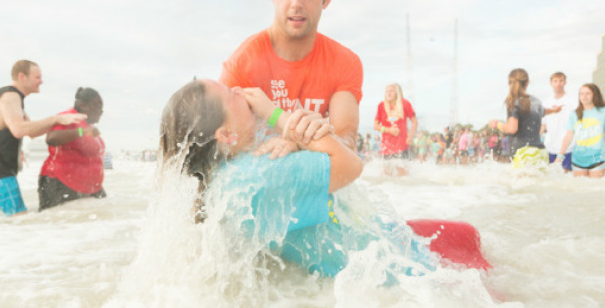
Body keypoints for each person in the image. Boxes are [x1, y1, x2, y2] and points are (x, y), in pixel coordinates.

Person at [159, 79, 437, 278]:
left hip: (353, 271)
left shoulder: (223, 184)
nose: (242, 92)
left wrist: (293, 143)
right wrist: (277, 116)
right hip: (397, 273)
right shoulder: (263, 173)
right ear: (226, 135)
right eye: (233, 96)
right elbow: (350, 165)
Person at [220, 0, 363, 157]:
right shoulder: (242, 64)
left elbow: (346, 145)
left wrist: (296, 144)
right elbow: (221, 147)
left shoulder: (344, 62)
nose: (296, 3)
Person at [0, 60, 85, 216]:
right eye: (37, 77)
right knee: (18, 218)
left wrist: (63, 122)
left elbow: (32, 132)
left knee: (0, 216)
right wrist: (55, 119)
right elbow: (18, 129)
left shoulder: (12, 98)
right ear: (22, 76)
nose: (41, 81)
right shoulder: (10, 96)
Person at [38, 87, 107, 211]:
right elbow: (51, 138)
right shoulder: (68, 118)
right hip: (60, 184)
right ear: (83, 105)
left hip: (88, 188)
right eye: (97, 107)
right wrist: (82, 131)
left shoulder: (86, 124)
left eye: (101, 108)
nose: (100, 112)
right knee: (56, 225)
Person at [494, 68, 558, 169]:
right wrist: (554, 110)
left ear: (509, 83)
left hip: (523, 153)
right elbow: (543, 111)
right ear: (527, 83)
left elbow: (512, 128)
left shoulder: (513, 101)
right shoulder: (536, 101)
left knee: (519, 184)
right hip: (541, 152)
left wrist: (496, 124)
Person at [556, 84, 605, 178]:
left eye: (588, 93)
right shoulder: (574, 114)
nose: (584, 96)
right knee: (581, 190)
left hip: (598, 158)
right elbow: (568, 136)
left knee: (595, 190)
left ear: (595, 95)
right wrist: (560, 155)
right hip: (578, 159)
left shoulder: (604, 112)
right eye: (581, 94)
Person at [373, 83, 417, 175]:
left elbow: (415, 122)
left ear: (397, 93)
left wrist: (410, 137)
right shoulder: (381, 105)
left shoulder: (405, 103)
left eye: (391, 91)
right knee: (386, 176)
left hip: (402, 146)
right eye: (387, 91)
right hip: (387, 147)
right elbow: (375, 126)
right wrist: (389, 130)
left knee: (404, 176)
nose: (388, 93)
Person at [540, 72, 578, 172]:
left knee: (566, 179)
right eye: (555, 81)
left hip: (568, 148)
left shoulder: (573, 101)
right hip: (549, 147)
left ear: (565, 82)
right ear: (551, 83)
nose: (558, 84)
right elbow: (543, 125)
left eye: (561, 81)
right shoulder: (546, 102)